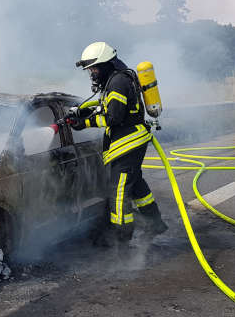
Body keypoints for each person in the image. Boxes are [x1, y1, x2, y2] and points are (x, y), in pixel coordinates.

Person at [68, 41, 168, 246]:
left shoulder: (117, 82)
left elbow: (113, 117)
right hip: (131, 141)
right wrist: (84, 110)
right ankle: (155, 223)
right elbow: (109, 106)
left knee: (119, 192)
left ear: (105, 64)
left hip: (127, 144)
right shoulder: (118, 79)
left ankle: (122, 238)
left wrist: (84, 123)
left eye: (94, 68)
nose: (92, 73)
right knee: (137, 184)